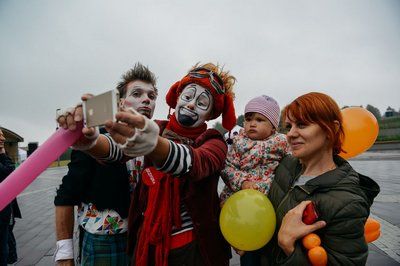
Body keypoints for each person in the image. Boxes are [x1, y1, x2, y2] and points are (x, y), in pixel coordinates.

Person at [58, 63, 237, 265]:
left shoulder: (214, 141)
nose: (191, 105)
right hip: (148, 247)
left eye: (202, 102)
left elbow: (196, 163)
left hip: (195, 252)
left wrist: (154, 145)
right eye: (187, 97)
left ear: (211, 113)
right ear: (177, 98)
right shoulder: (158, 128)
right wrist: (90, 143)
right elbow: (118, 150)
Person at [54, 63, 158, 266]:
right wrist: (64, 254)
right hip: (103, 240)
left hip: (142, 239)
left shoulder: (156, 142)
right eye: (137, 93)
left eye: (152, 96)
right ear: (120, 103)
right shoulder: (94, 138)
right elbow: (66, 196)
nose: (146, 99)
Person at [262, 92, 380, 265]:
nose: (290, 134)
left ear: (330, 129)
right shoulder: (286, 165)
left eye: (301, 125)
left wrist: (289, 247)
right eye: (289, 126)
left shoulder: (348, 202)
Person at [219, 95, 290, 265]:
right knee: (248, 249)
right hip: (241, 200)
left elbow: (294, 164)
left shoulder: (281, 142)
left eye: (259, 120)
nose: (252, 123)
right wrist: (242, 182)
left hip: (268, 201)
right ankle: (243, 245)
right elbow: (227, 167)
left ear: (273, 126)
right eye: (248, 118)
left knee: (271, 247)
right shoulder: (238, 142)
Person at [0, 128, 21, 266]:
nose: (2, 139)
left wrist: (2, 154)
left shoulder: (4, 156)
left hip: (6, 212)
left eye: (2, 136)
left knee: (5, 247)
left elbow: (11, 172)